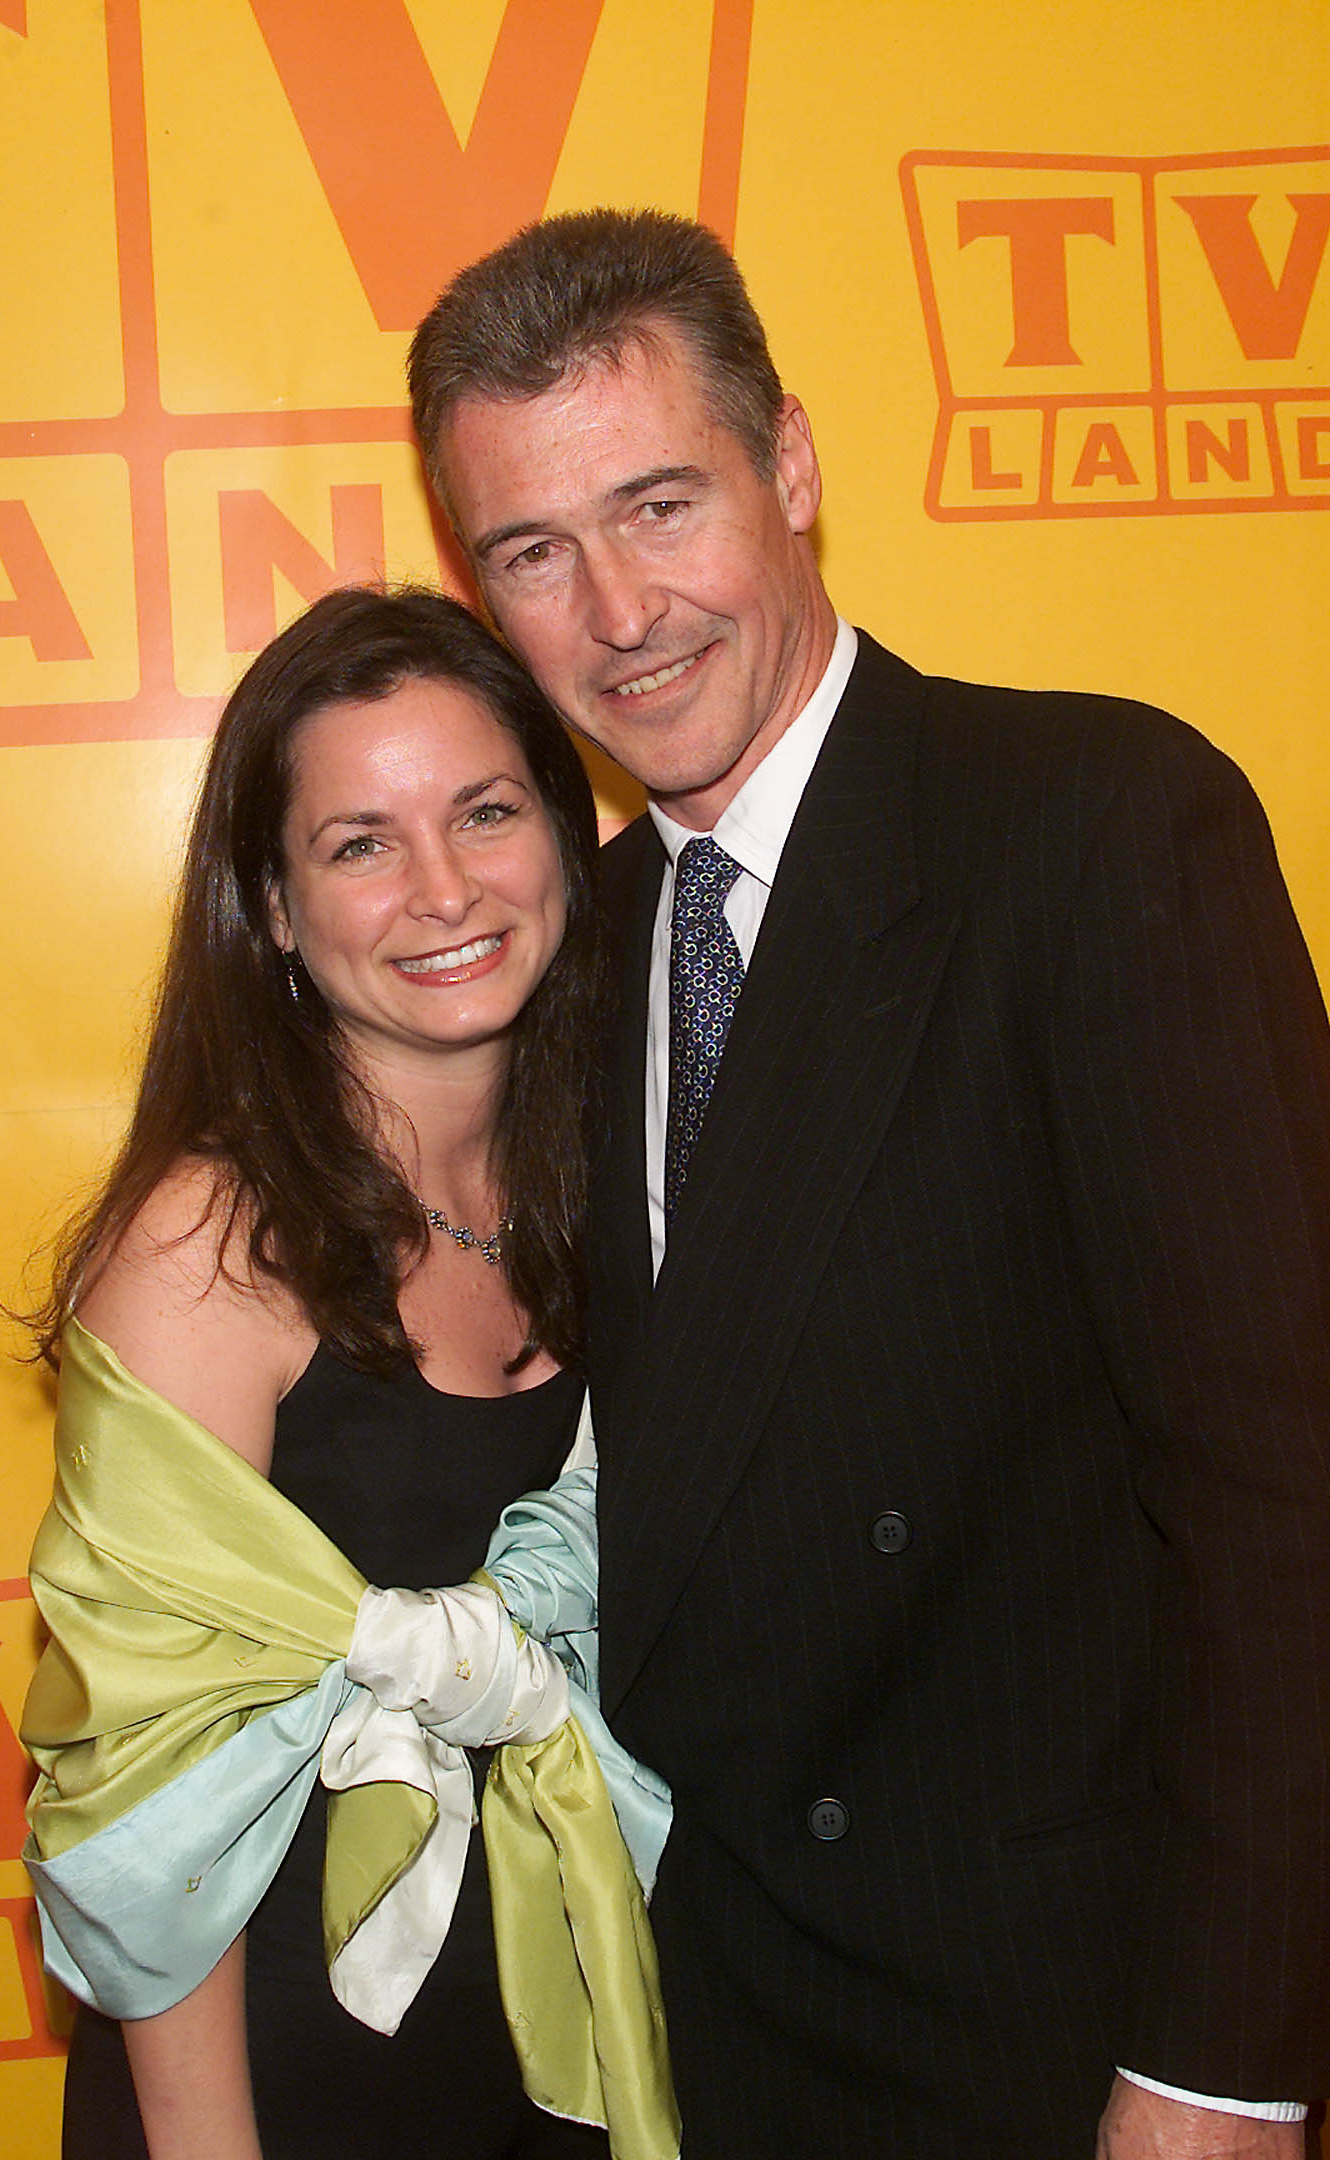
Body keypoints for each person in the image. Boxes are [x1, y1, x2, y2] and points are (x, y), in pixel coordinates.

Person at [407, 210, 1330, 2158]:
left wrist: (1222, 2065)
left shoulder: (1092, 830)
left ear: (795, 468)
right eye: (534, 552)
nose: (620, 609)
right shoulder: (585, 956)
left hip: (1057, 2051)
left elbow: (1286, 1503)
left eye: (661, 505)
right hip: (718, 2047)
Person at [17, 586, 678, 2160]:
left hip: (567, 2038)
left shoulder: (629, 1186)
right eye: (361, 843)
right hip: (276, 2088)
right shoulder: (210, 1247)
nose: (443, 890)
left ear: (567, 840)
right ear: (275, 905)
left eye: (487, 812)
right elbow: (143, 1814)